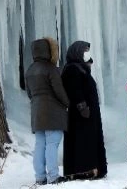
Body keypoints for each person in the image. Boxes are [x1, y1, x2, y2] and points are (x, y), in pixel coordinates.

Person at [25, 37, 69, 185]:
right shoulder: (51, 69)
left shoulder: (30, 69)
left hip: (36, 111)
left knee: (40, 144)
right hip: (53, 111)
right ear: (49, 51)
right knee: (52, 143)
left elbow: (29, 93)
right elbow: (59, 91)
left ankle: (40, 176)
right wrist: (68, 103)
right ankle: (53, 176)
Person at [61, 41, 107, 180]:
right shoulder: (72, 69)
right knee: (83, 140)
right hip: (80, 114)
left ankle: (92, 168)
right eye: (84, 51)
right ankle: (83, 169)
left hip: (87, 113)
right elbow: (75, 90)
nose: (87, 54)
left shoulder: (80, 68)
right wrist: (82, 107)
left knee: (88, 139)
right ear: (77, 52)